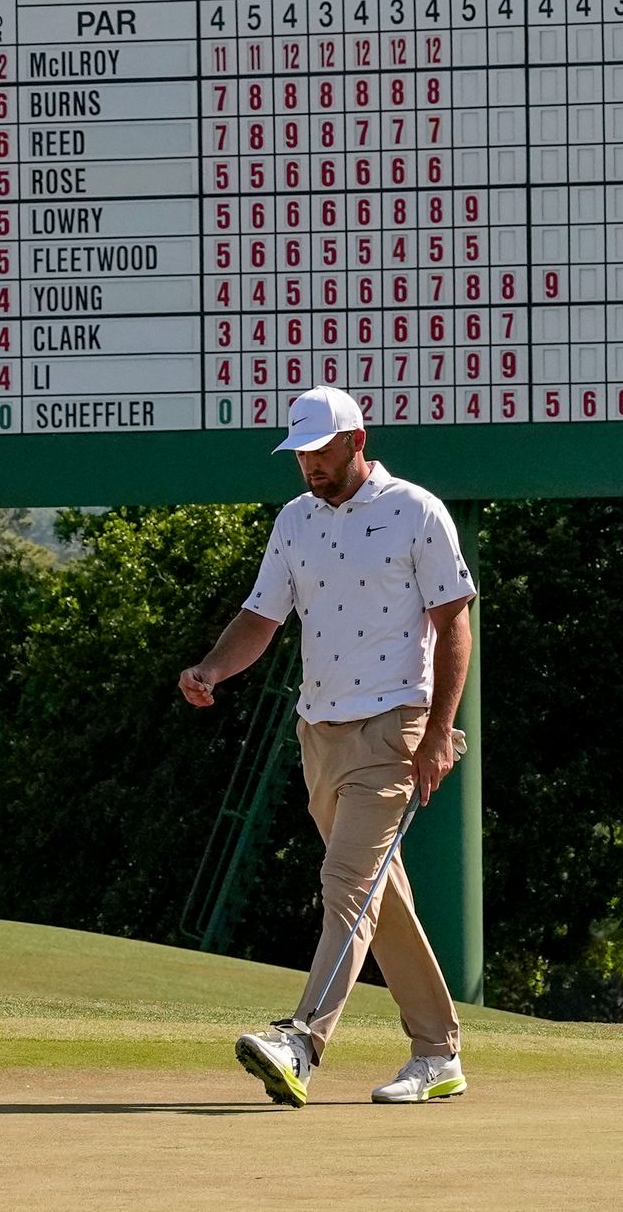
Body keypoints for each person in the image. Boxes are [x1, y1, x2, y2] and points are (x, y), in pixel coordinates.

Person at [180, 386, 476, 1108]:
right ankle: (438, 1051)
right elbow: (261, 616)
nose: (309, 465)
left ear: (356, 440)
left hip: (395, 727)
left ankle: (302, 1041)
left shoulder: (417, 511)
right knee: (379, 894)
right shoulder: (295, 521)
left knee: (346, 885)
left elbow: (455, 622)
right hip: (319, 730)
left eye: (320, 451)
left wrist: (438, 732)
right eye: (300, 454)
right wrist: (212, 669)